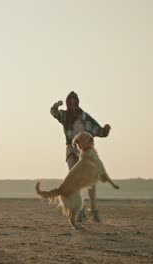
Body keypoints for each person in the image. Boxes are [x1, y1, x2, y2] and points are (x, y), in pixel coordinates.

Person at [50, 91, 112, 222]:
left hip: (85, 153)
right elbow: (54, 112)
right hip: (71, 150)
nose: (73, 105)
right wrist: (56, 105)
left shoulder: (85, 117)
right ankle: (80, 211)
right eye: (70, 102)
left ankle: (94, 209)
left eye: (75, 102)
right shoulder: (65, 116)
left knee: (91, 181)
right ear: (68, 103)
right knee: (73, 178)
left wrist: (106, 130)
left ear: (77, 103)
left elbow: (98, 130)